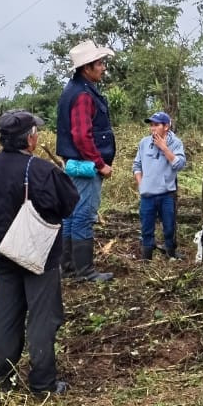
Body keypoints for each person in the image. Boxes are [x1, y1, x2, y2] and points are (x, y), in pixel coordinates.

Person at [0, 110, 80, 395]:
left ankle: (3, 381)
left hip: (3, 252)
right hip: (38, 254)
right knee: (42, 317)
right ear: (30, 138)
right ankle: (43, 384)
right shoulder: (41, 169)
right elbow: (68, 203)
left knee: (7, 316)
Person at [54, 39, 117, 283]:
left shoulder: (76, 90)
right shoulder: (82, 95)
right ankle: (85, 270)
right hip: (85, 166)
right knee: (83, 215)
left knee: (71, 214)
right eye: (99, 63)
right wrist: (100, 163)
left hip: (76, 163)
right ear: (86, 67)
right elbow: (82, 135)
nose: (103, 67)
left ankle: (69, 266)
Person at [133, 111, 188, 259]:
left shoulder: (176, 143)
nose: (152, 128)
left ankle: (170, 252)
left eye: (156, 125)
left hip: (166, 194)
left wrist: (164, 148)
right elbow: (137, 165)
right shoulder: (144, 143)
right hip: (147, 194)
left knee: (169, 227)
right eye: (151, 125)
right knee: (146, 228)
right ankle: (147, 258)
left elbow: (180, 165)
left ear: (166, 127)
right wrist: (141, 183)